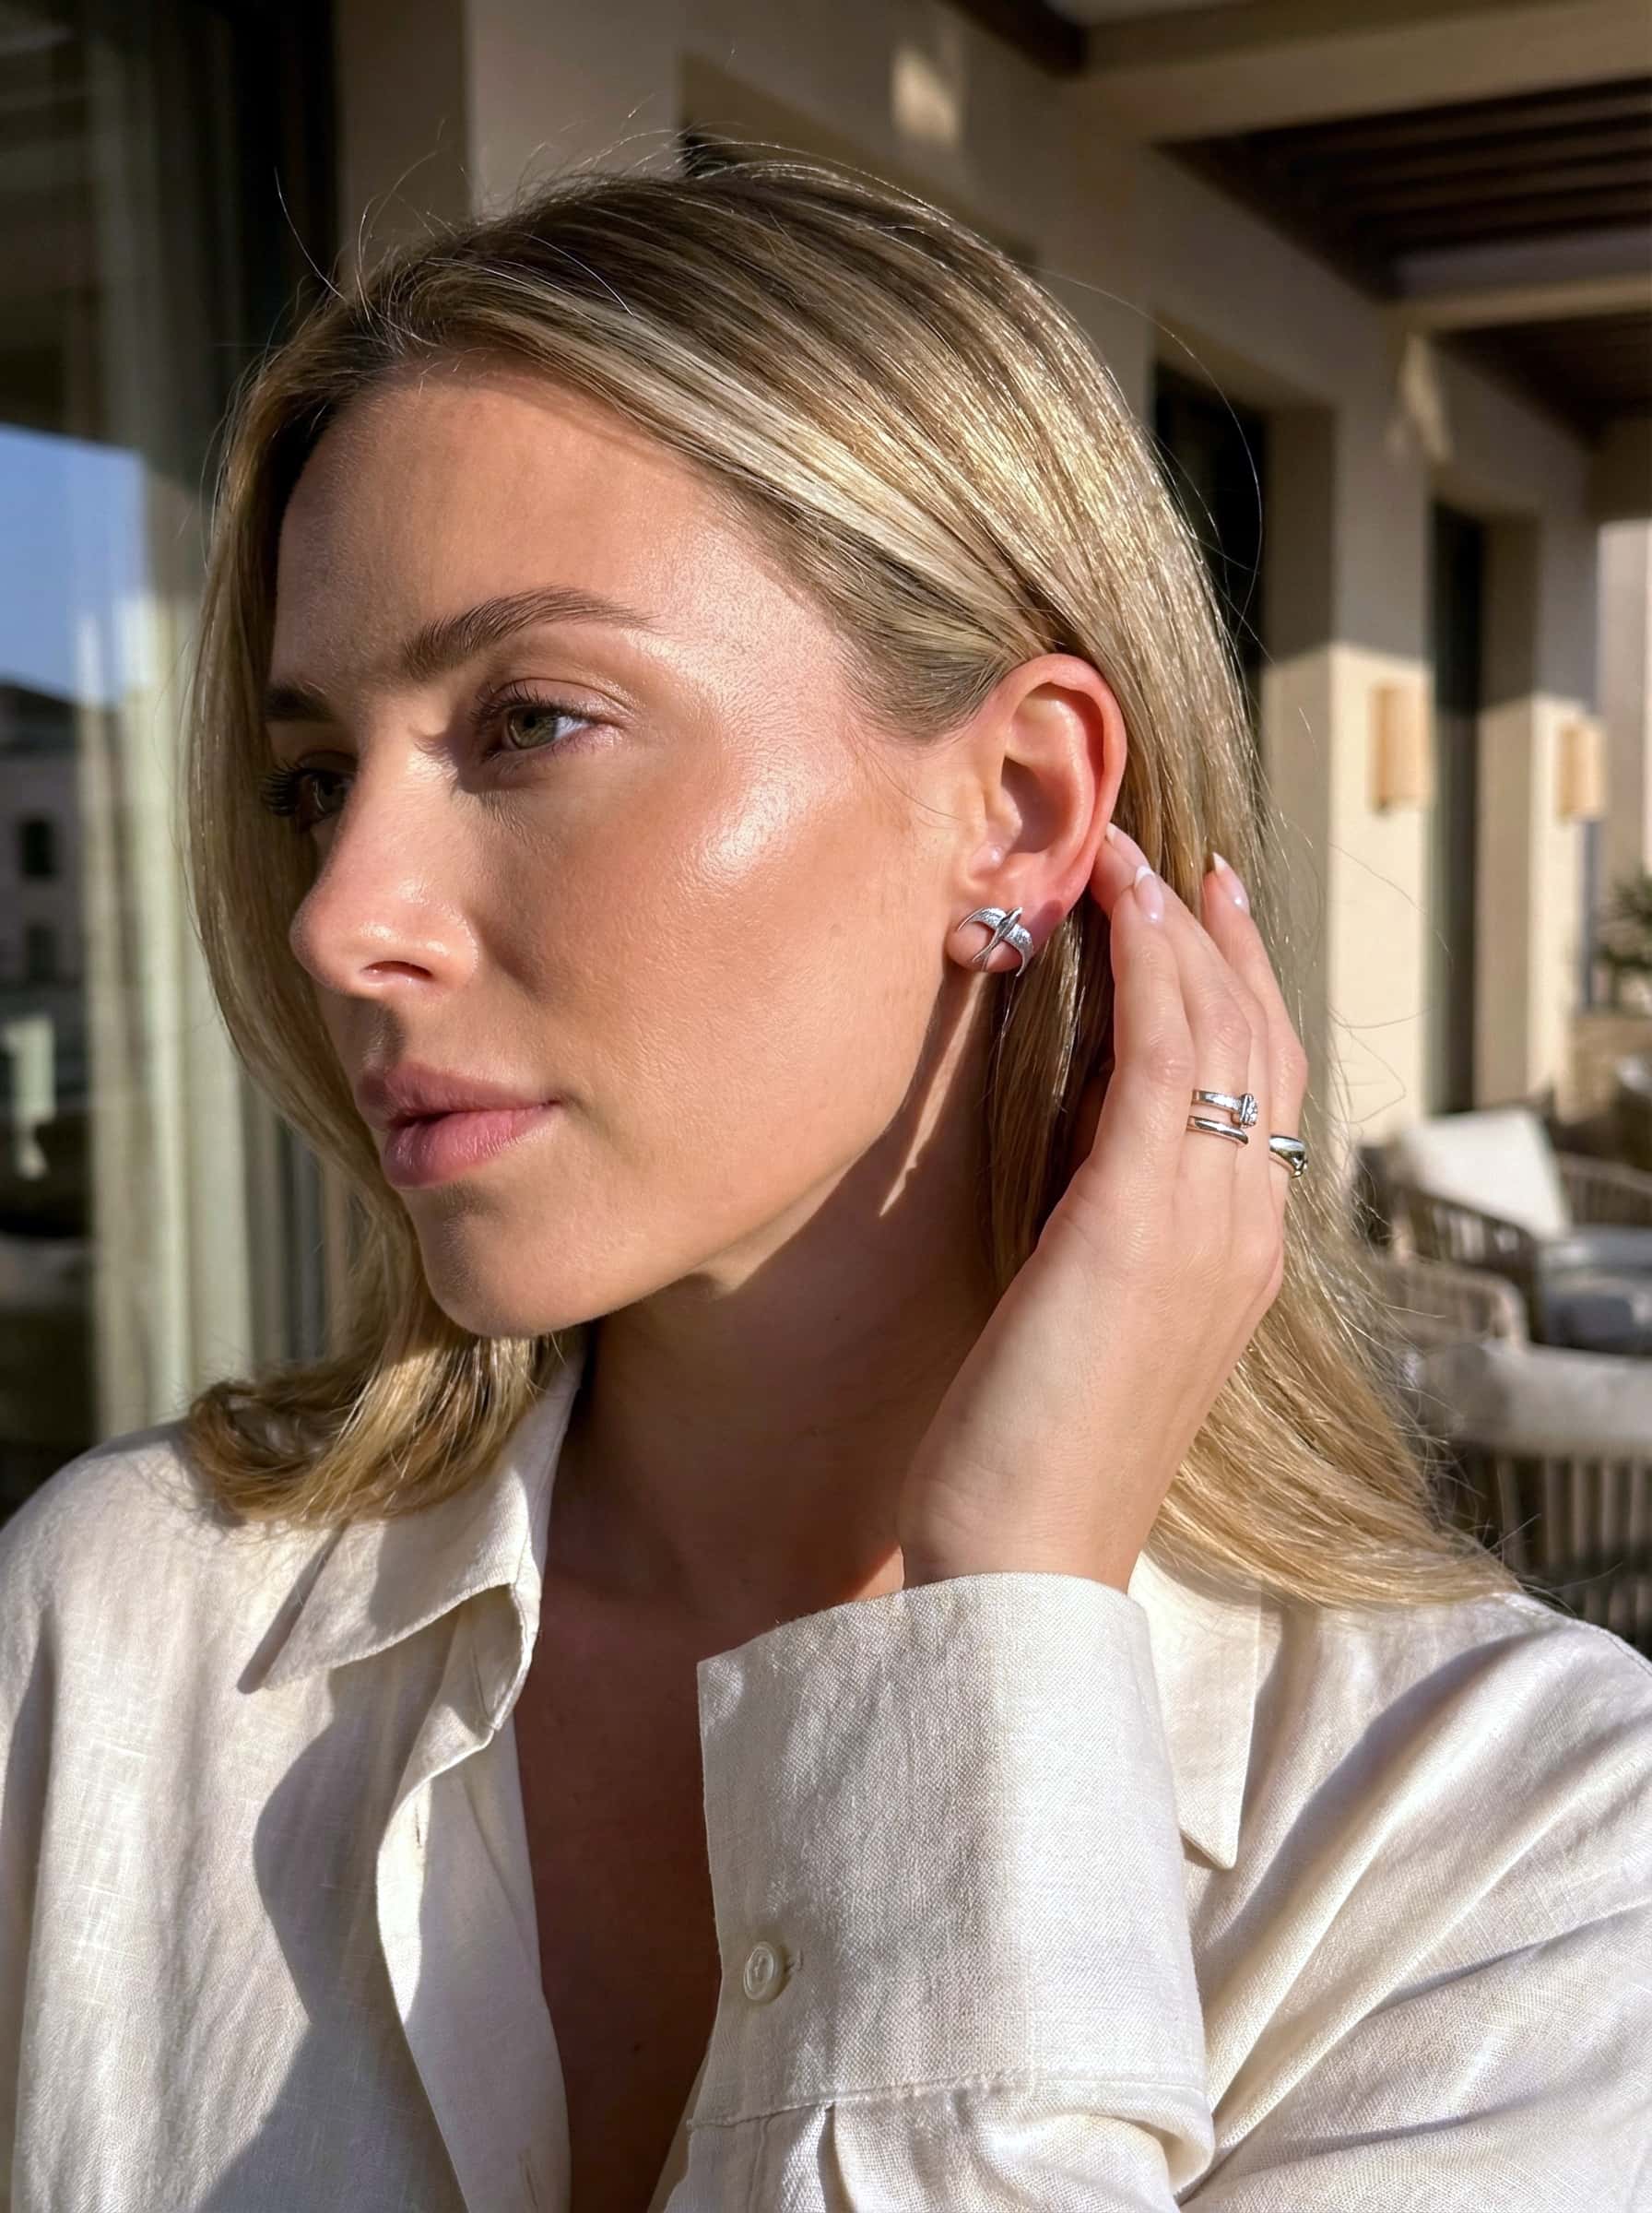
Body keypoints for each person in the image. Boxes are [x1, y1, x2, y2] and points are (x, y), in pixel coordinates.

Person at [1, 153, 1647, 2213]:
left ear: (1019, 806)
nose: (342, 918)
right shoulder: (120, 1631)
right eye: (316, 775)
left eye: (526, 722)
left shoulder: (1512, 1845)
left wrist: (1005, 1621)